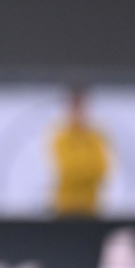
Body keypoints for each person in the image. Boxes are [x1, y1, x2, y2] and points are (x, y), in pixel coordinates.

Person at [51, 88, 110, 217]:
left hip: (91, 207)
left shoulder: (96, 136)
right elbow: (67, 168)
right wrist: (85, 171)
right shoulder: (61, 136)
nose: (78, 112)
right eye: (75, 106)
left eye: (81, 106)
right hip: (64, 208)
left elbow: (101, 169)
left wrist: (80, 171)